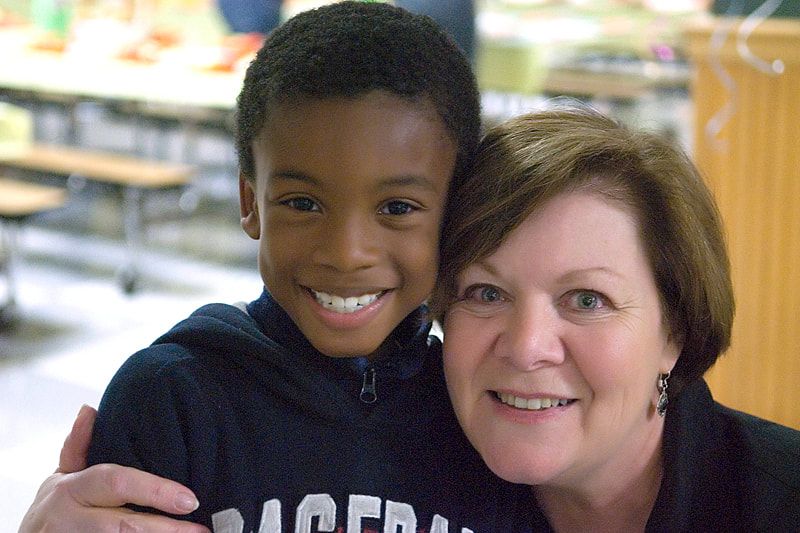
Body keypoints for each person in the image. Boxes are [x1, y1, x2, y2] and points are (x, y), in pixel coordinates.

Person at [19, 3, 534, 532]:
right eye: (303, 203)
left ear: (454, 209)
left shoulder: (488, 414)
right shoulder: (173, 400)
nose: (346, 252)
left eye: (397, 208)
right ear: (250, 202)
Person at [432, 106, 800, 531]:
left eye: (587, 300)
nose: (526, 347)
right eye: (487, 294)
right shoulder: (398, 483)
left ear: (674, 333)